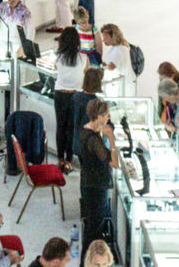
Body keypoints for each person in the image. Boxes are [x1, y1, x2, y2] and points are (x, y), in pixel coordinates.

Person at [76, 98, 115, 249]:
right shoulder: (93, 140)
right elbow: (111, 160)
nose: (109, 117)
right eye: (107, 115)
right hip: (96, 187)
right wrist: (111, 139)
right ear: (100, 117)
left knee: (91, 228)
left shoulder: (85, 130)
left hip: (88, 183)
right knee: (94, 230)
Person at [53, 26, 86, 166]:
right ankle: (69, 159)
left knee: (60, 126)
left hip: (60, 95)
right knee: (72, 128)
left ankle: (60, 158)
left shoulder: (58, 58)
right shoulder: (84, 58)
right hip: (76, 96)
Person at [97, 23, 133, 97]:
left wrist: (102, 66)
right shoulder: (118, 48)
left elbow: (111, 67)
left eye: (106, 38)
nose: (103, 40)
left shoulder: (120, 49)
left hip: (116, 88)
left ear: (114, 37)